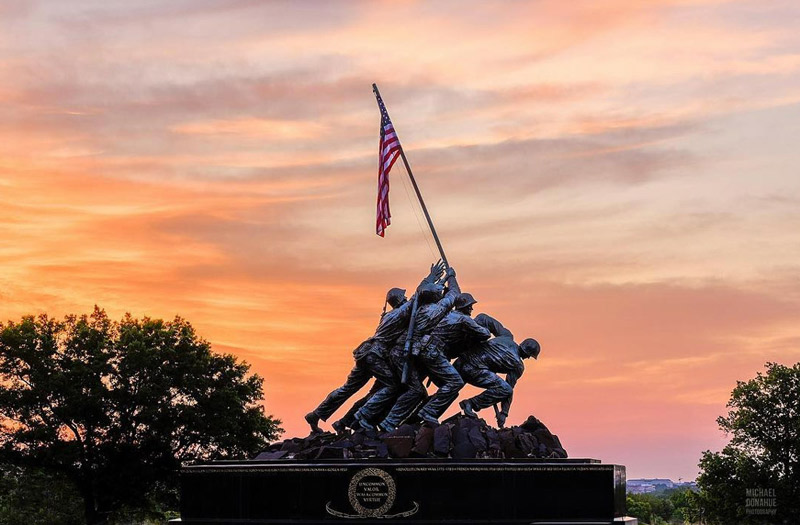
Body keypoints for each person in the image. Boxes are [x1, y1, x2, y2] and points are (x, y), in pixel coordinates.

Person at [304, 262, 445, 433]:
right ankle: (362, 416)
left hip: (366, 353)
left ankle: (316, 414)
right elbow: (418, 296)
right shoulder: (399, 313)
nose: (407, 299)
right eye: (404, 297)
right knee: (392, 385)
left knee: (347, 388)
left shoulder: (388, 316)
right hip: (375, 355)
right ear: (399, 300)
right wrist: (432, 277)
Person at [377, 267, 464, 431]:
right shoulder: (432, 311)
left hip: (410, 352)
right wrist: (451, 278)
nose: (441, 291)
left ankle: (397, 420)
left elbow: (419, 293)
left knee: (416, 390)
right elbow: (454, 295)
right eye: (439, 291)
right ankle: (399, 419)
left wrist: (432, 278)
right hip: (410, 353)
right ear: (435, 297)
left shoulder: (416, 307)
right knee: (451, 382)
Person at [454, 313, 540, 428]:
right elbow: (508, 391)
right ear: (528, 355)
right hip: (473, 371)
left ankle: (429, 409)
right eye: (530, 356)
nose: (528, 358)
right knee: (505, 389)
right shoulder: (517, 365)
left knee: (448, 391)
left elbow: (483, 318)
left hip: (461, 360)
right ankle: (470, 403)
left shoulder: (506, 336)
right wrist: (504, 413)